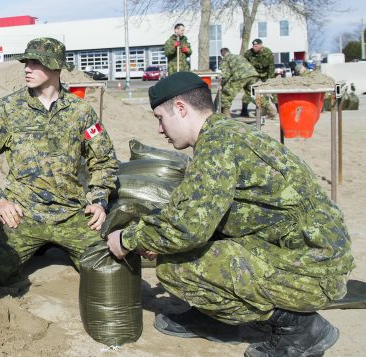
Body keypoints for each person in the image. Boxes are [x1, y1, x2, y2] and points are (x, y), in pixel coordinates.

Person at [106, 72, 354, 357]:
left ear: (181, 109)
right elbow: (195, 212)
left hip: (313, 270)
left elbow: (187, 228)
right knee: (181, 250)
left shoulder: (217, 147)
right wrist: (155, 235)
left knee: (175, 268)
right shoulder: (227, 134)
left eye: (160, 118)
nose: (160, 129)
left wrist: (128, 239)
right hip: (308, 253)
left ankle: (300, 328)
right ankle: (215, 318)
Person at [0, 37, 118, 286]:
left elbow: (104, 160)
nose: (27, 68)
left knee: (105, 273)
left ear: (56, 68)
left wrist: (100, 201)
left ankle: (52, 245)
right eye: (26, 62)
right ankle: (36, 246)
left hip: (71, 213)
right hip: (24, 214)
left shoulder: (80, 112)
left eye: (36, 63)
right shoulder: (8, 110)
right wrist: (0, 200)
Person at [219, 47, 274, 118]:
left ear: (222, 54)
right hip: (253, 75)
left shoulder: (225, 59)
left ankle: (226, 116)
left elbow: (225, 75)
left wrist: (222, 84)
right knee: (254, 95)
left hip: (240, 76)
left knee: (226, 96)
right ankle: (271, 109)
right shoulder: (239, 56)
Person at [242, 38, 276, 117]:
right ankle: (244, 110)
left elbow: (271, 67)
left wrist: (270, 79)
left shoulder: (268, 52)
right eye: (253, 45)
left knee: (273, 91)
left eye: (256, 46)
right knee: (251, 91)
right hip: (254, 75)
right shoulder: (248, 53)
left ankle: (276, 108)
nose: (254, 47)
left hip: (265, 74)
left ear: (261, 45)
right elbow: (244, 65)